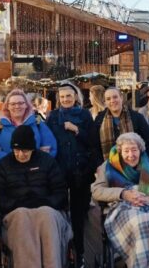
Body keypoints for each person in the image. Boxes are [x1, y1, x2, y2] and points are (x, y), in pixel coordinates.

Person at [91, 132, 149, 267]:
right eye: (126, 151)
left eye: (134, 150)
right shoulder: (108, 166)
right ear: (120, 151)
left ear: (140, 150)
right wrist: (123, 194)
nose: (130, 155)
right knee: (139, 223)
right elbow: (97, 191)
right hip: (120, 207)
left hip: (148, 205)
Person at [0, 125, 73, 267]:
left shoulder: (47, 162)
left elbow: (61, 191)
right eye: (17, 150)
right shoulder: (3, 166)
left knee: (46, 215)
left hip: (47, 207)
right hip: (15, 210)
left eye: (25, 150)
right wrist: (15, 204)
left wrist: (46, 202)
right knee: (21, 216)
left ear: (33, 148)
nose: (21, 154)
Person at [46, 82, 98, 267]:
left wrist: (77, 130)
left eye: (69, 96)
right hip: (58, 172)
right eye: (62, 97)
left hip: (81, 172)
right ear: (58, 99)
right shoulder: (52, 116)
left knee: (78, 215)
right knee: (58, 212)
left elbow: (93, 140)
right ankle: (60, 251)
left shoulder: (84, 115)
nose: (66, 99)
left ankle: (79, 253)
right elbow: (47, 138)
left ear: (75, 97)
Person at [0, 88, 57, 165]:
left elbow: (51, 149)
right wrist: (13, 159)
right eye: (13, 104)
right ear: (7, 106)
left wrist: (35, 159)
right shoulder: (0, 127)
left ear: (26, 105)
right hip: (9, 173)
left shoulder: (38, 124)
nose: (17, 106)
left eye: (21, 103)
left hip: (34, 173)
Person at [91, 87, 149, 162]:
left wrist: (146, 161)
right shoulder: (99, 120)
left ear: (121, 98)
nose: (112, 101)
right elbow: (95, 146)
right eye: (108, 99)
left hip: (134, 166)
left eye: (115, 97)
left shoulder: (136, 117)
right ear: (105, 102)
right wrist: (100, 165)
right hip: (109, 167)